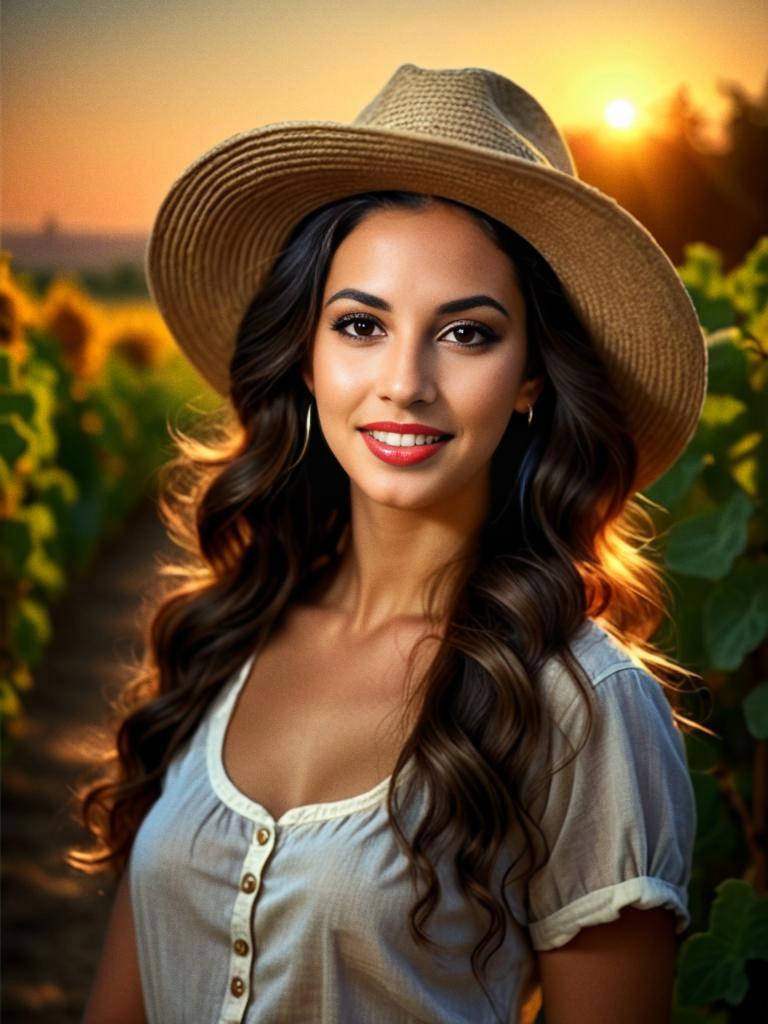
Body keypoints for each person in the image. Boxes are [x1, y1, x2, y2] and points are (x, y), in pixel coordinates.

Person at [72, 63, 706, 1024]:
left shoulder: (582, 703)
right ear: (309, 353)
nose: (404, 382)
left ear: (533, 376)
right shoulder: (232, 628)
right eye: (361, 324)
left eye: (467, 334)